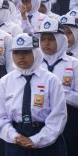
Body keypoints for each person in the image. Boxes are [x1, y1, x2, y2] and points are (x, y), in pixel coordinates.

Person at [0, 33, 67, 156]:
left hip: (46, 141)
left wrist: (36, 140)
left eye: (26, 52)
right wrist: (14, 136)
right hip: (16, 141)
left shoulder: (51, 80)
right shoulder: (5, 82)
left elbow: (58, 117)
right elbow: (0, 118)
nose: (21, 57)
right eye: (16, 53)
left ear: (36, 52)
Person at [37, 18, 78, 156]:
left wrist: (59, 93)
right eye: (42, 39)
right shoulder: (36, 65)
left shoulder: (73, 64)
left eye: (51, 39)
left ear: (60, 40)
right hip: (41, 119)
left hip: (69, 119)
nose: (46, 43)